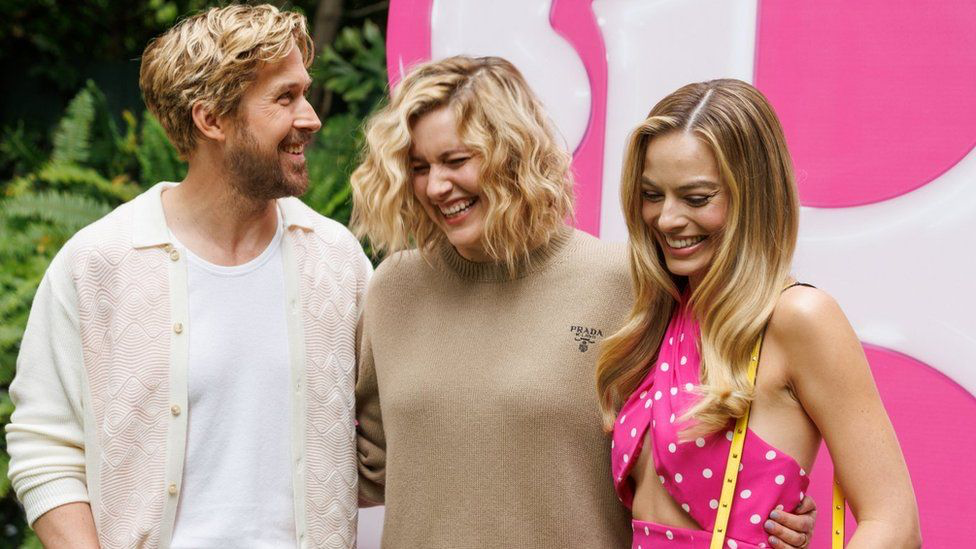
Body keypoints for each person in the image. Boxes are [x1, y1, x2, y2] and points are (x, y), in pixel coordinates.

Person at [351, 56, 815, 548]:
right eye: (418, 167)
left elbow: (699, 441)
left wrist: (768, 513)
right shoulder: (392, 289)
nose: (435, 186)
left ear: (514, 153)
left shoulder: (630, 282)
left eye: (456, 161)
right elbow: (368, 468)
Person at [5, 5, 371, 548]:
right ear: (211, 120)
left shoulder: (336, 261)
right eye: (285, 97)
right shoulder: (100, 262)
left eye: (305, 92)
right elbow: (45, 447)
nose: (311, 117)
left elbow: (395, 424)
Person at [597, 79, 921, 548]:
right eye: (652, 194)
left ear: (754, 197)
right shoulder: (657, 314)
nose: (666, 219)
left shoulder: (799, 318)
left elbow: (894, 522)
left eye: (696, 198)